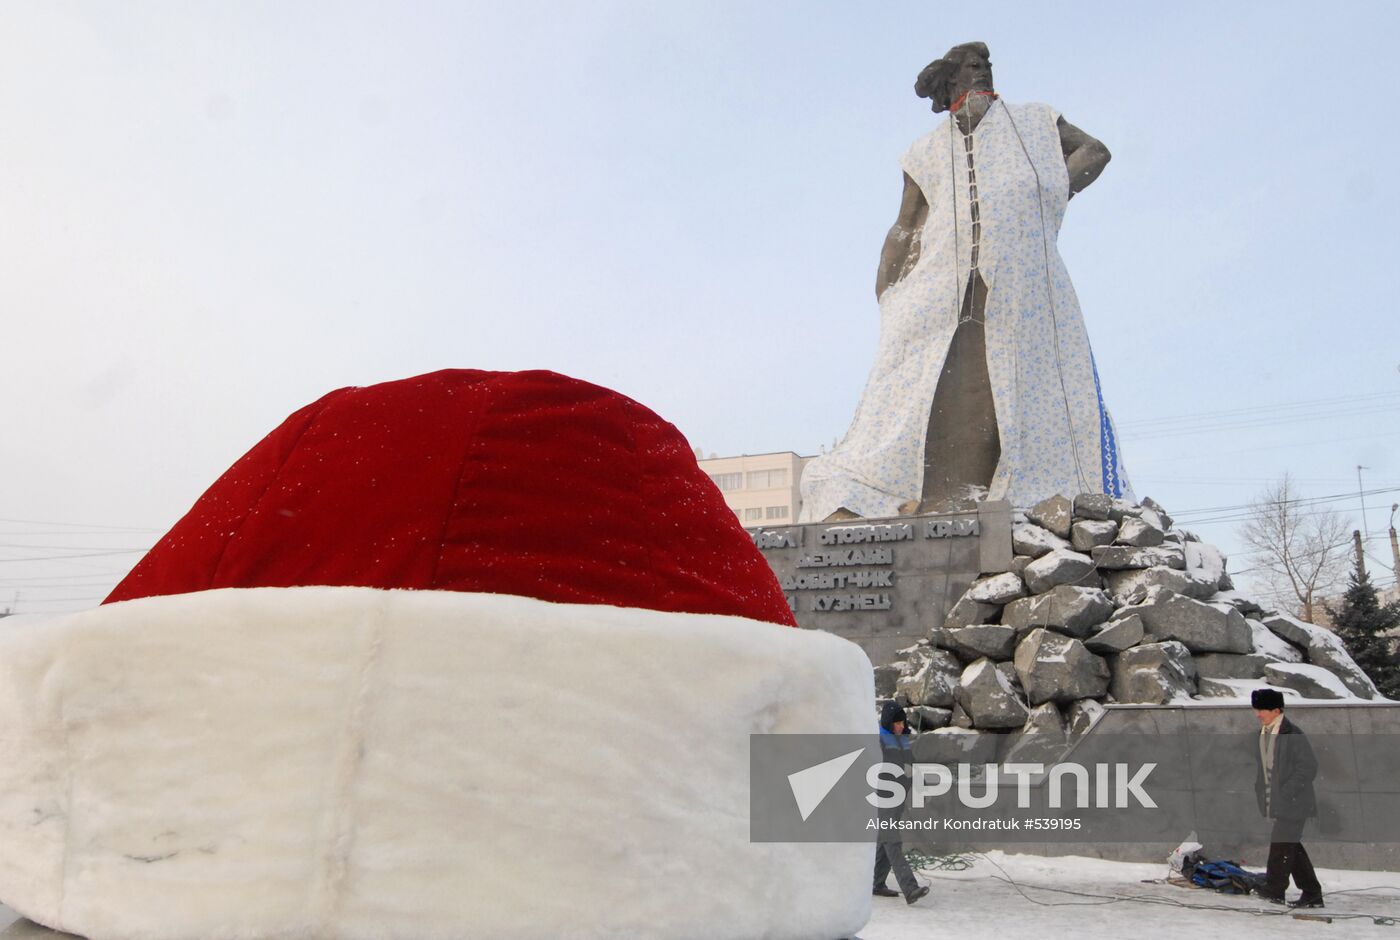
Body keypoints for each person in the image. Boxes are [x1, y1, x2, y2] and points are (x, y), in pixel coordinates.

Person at [800, 41, 1132, 522]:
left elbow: (1095, 151)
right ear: (951, 79)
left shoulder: (1036, 120)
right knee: (913, 378)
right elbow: (906, 225)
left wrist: (1046, 190)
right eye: (972, 66)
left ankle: (1043, 499)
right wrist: (888, 288)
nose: (983, 71)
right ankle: (899, 495)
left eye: (987, 65)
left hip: (1025, 277)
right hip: (939, 279)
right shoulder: (926, 151)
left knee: (1032, 373)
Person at [1252, 687, 1324, 908]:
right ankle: (1312, 893)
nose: (1257, 714)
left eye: (1261, 709)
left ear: (1276, 710)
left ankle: (1275, 889)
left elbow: (1308, 767)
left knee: (1281, 846)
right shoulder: (1264, 733)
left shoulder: (1292, 733)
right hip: (1278, 802)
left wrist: (1286, 793)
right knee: (1291, 847)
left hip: (1294, 803)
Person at [872, 701, 931, 904]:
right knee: (892, 841)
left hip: (898, 798)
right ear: (888, 723)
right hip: (884, 796)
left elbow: (910, 765)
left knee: (884, 842)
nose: (900, 726)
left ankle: (876, 883)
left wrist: (917, 778)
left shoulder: (902, 740)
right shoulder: (878, 741)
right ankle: (910, 888)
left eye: (902, 723)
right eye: (897, 723)